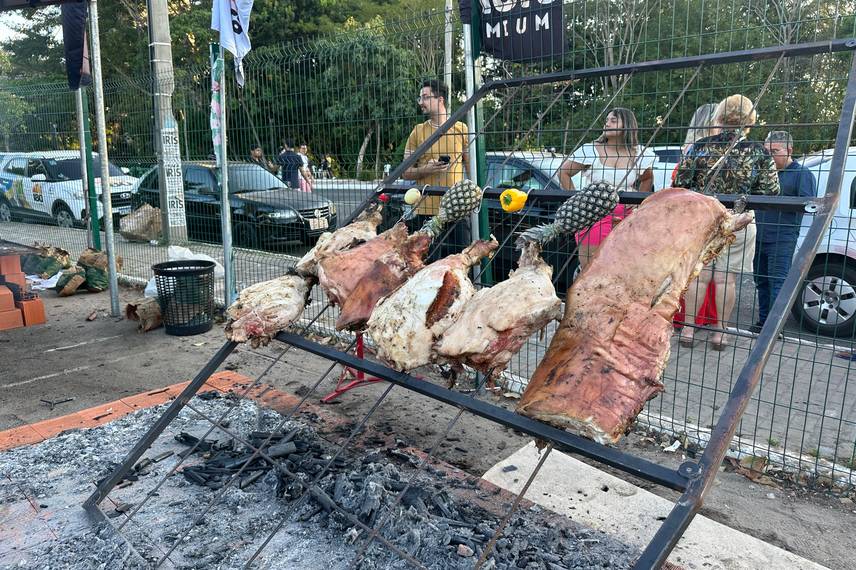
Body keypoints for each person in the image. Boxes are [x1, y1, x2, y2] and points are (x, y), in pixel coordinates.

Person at [674, 94, 780, 350]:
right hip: (739, 220)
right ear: (749, 120)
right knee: (726, 279)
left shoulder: (700, 147)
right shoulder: (759, 152)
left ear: (719, 117)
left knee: (698, 276)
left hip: (703, 219)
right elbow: (771, 191)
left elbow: (680, 184)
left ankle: (688, 330)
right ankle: (720, 333)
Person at [558, 107, 655, 268]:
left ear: (627, 125)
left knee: (623, 268)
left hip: (627, 218)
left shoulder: (639, 153)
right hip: (594, 214)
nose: (607, 124)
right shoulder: (590, 150)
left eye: (613, 120)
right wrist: (578, 202)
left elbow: (647, 178)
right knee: (592, 267)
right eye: (606, 120)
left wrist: (637, 202)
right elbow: (563, 172)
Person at [752, 131, 817, 332]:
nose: (769, 156)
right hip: (758, 236)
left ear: (789, 150)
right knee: (761, 281)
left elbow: (809, 205)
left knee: (777, 284)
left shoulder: (802, 174)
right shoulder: (763, 172)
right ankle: (763, 322)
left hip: (782, 238)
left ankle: (774, 329)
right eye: (766, 151)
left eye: (774, 151)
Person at [402, 79, 470, 254]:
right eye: (420, 98)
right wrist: (426, 169)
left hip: (456, 210)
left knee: (459, 261)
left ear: (440, 100)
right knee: (427, 263)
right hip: (426, 212)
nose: (421, 102)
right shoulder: (417, 131)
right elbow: (405, 172)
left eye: (425, 97)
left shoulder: (461, 129)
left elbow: (472, 170)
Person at [672, 103, 720, 330]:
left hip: (688, 214)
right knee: (701, 268)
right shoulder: (703, 148)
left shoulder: (690, 148)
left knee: (693, 267)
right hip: (699, 214)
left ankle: (689, 317)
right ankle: (700, 317)